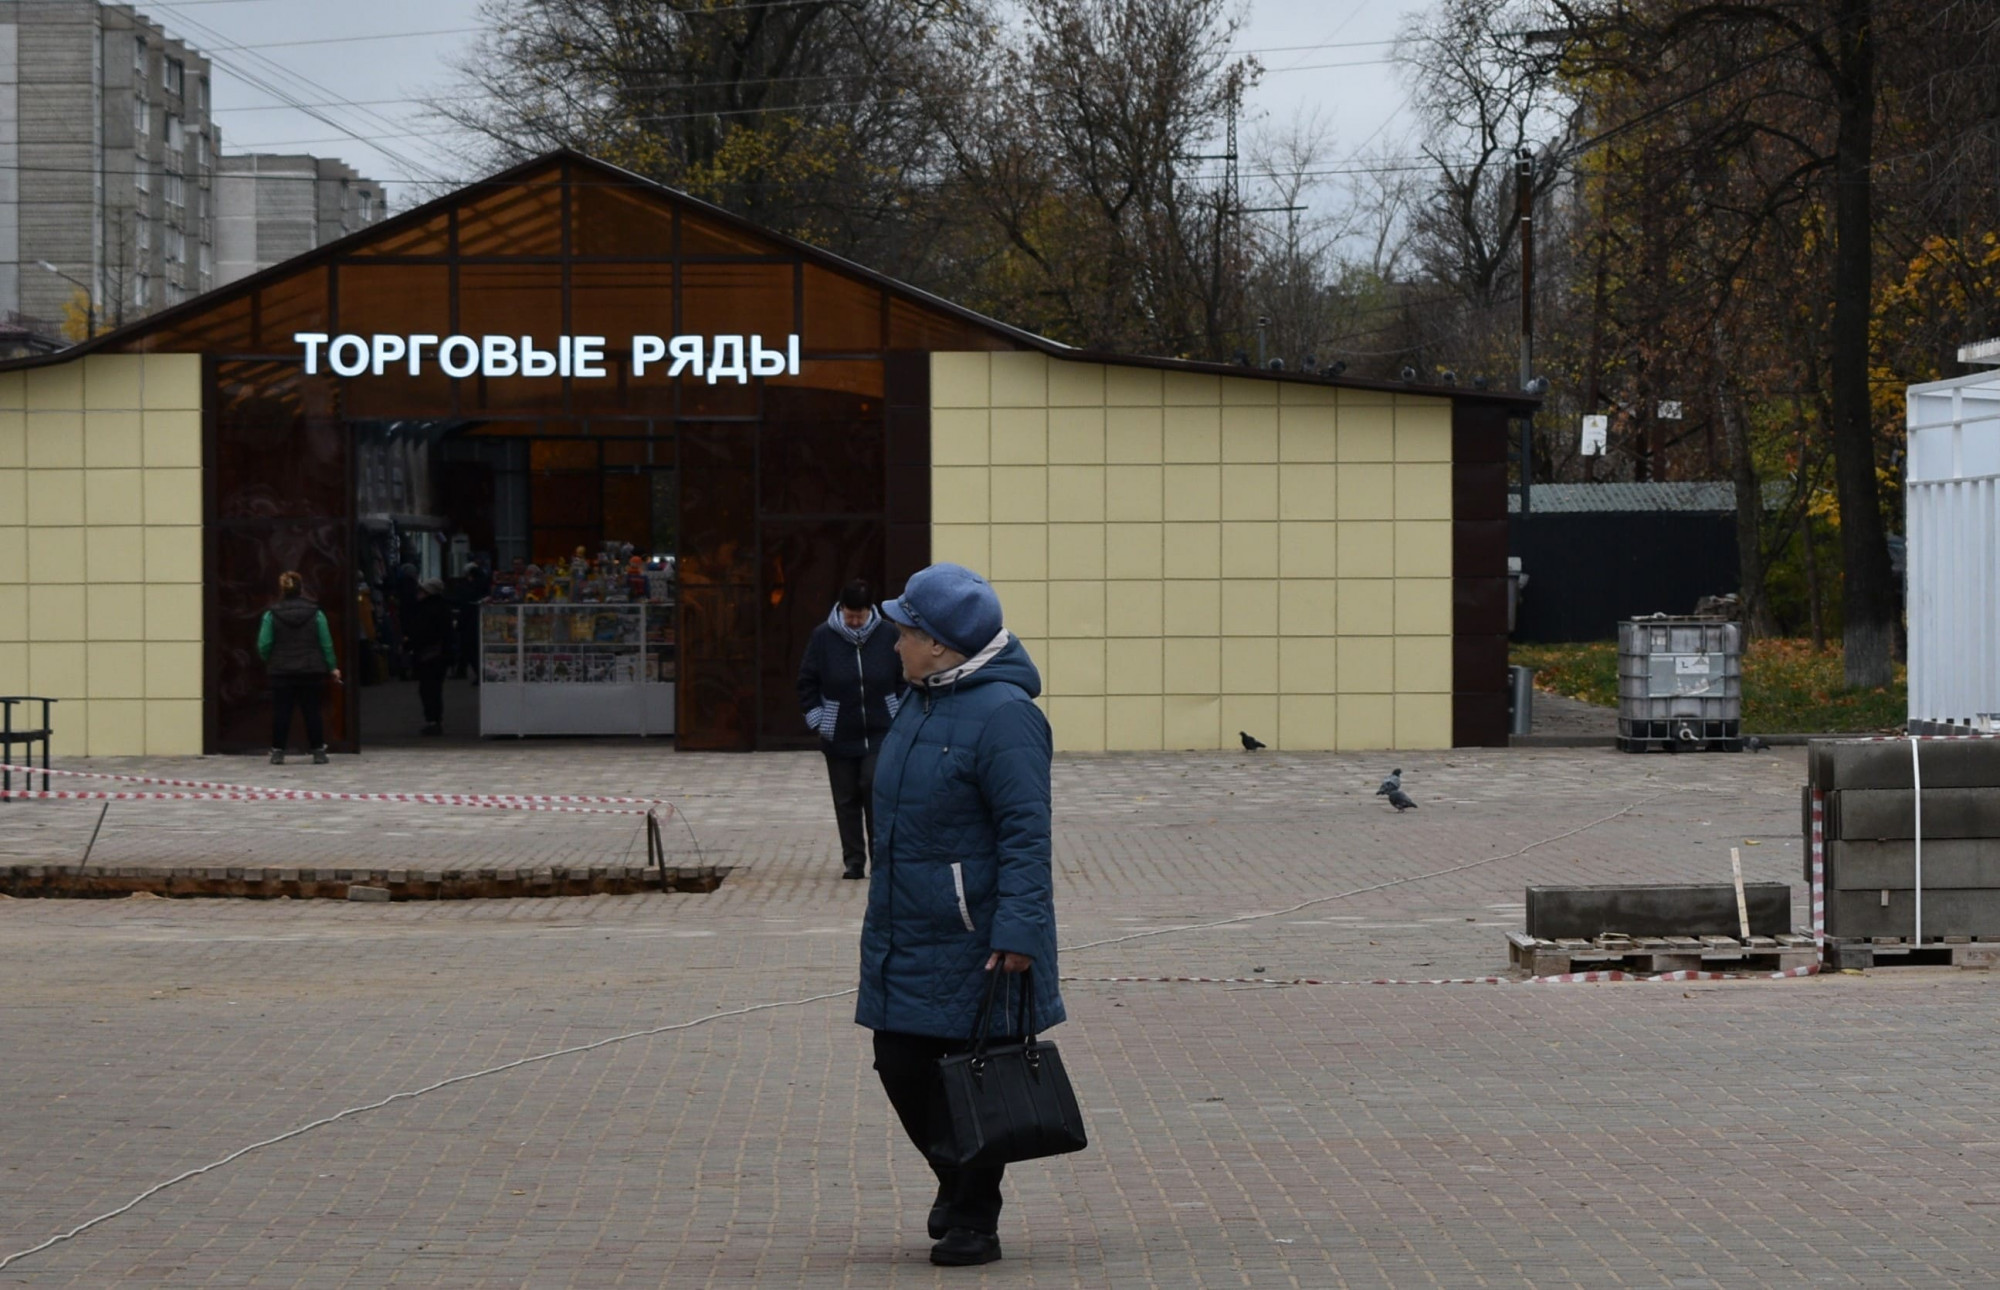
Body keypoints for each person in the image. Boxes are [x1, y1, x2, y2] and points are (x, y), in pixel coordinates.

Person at [857, 562, 1063, 1268]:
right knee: (899, 1063)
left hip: (978, 935)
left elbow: (1026, 834)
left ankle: (975, 1215)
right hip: (904, 925)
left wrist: (1019, 932)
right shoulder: (919, 699)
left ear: (941, 645)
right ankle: (957, 1176)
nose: (894, 644)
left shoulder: (1007, 717)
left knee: (970, 1071)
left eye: (905, 632)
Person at [797, 579, 905, 879]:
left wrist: (897, 710)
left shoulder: (888, 634)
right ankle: (853, 861)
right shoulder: (822, 637)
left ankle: (880, 859)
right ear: (841, 608)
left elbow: (904, 676)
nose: (854, 621)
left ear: (870, 610)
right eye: (849, 614)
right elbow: (807, 681)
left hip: (882, 731)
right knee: (845, 799)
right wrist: (820, 718)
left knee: (874, 789)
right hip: (839, 733)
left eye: (859, 615)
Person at [258, 571, 341, 765]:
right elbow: (326, 642)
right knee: (312, 710)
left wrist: (270, 659)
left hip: (281, 670)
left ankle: (278, 752)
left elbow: (264, 644)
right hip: (310, 669)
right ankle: (318, 751)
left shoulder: (271, 614)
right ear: (301, 588)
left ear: (282, 589)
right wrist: (332, 666)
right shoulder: (316, 613)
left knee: (281, 712)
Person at [406, 578, 454, 736]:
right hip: (439, 654)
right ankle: (435, 720)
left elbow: (422, 632)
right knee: (434, 688)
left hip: (429, 654)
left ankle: (433, 720)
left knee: (428, 689)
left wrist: (410, 643)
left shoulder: (426, 609)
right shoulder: (443, 607)